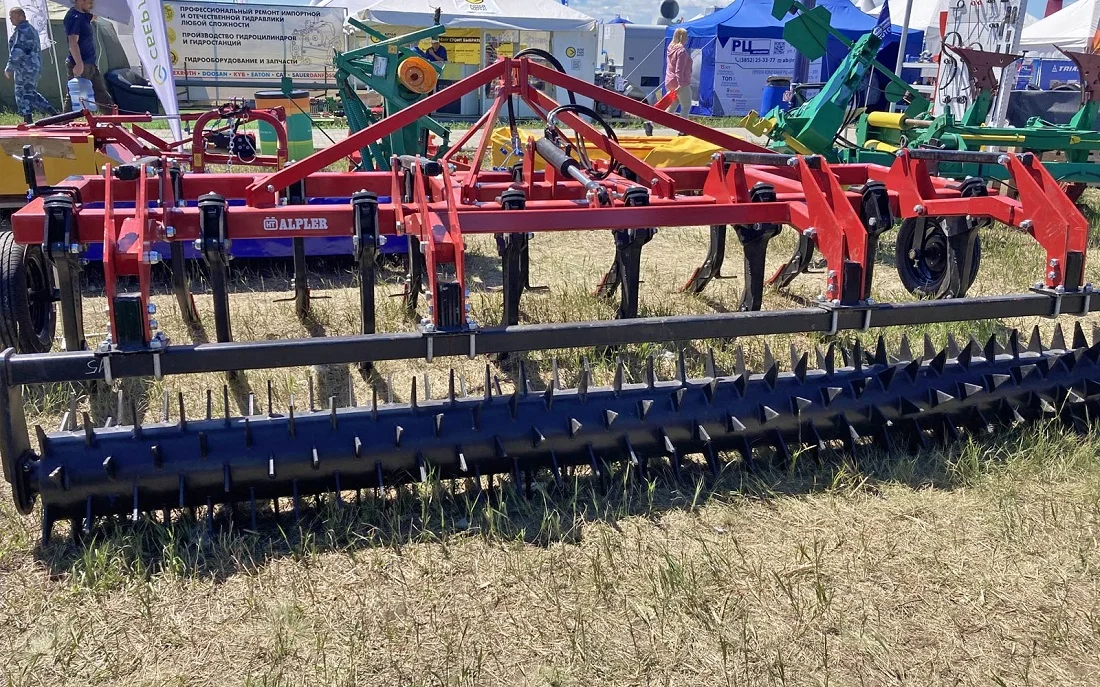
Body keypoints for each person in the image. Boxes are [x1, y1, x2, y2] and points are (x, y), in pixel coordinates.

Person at [5, 7, 56, 122]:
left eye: (13, 16)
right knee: (28, 92)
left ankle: (32, 118)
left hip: (25, 67)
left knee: (23, 93)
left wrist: (10, 67)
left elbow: (18, 50)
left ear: (21, 16)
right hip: (32, 66)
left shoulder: (23, 30)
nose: (11, 19)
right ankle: (50, 114)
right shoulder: (30, 29)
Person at [63, 0, 113, 111]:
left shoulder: (84, 16)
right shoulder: (74, 17)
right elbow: (73, 41)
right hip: (80, 63)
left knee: (101, 94)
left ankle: (113, 118)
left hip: (90, 63)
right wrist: (79, 63)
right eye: (90, 2)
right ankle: (64, 120)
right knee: (74, 97)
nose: (92, 5)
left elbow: (94, 16)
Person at [664, 27, 692, 115]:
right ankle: (683, 124)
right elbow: (679, 70)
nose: (687, 38)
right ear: (683, 37)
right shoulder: (681, 51)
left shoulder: (670, 48)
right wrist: (680, 85)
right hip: (680, 82)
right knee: (686, 106)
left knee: (672, 105)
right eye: (686, 36)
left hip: (669, 81)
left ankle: (657, 121)